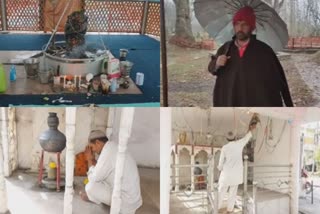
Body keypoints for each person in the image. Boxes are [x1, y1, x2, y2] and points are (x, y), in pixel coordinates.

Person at [208, 6, 293, 107]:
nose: (240, 28)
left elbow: (279, 79)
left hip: (257, 105)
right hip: (230, 102)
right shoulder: (226, 48)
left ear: (252, 27)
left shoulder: (264, 51)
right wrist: (217, 63)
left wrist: (289, 106)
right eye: (237, 24)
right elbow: (212, 68)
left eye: (244, 25)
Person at [80, 130, 142, 214]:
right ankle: (94, 197)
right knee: (99, 180)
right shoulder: (112, 147)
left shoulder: (108, 151)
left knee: (90, 187)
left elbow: (94, 178)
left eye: (92, 147)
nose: (93, 151)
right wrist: (93, 160)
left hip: (126, 202)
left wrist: (89, 160)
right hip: (134, 199)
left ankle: (93, 198)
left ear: (97, 142)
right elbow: (101, 170)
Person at [217, 124, 257, 213]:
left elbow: (220, 163)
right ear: (234, 138)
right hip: (236, 176)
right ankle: (229, 210)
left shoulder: (225, 148)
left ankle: (217, 209)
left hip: (226, 175)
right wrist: (251, 128)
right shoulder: (239, 144)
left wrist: (219, 169)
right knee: (232, 193)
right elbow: (247, 137)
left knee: (221, 192)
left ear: (226, 139)